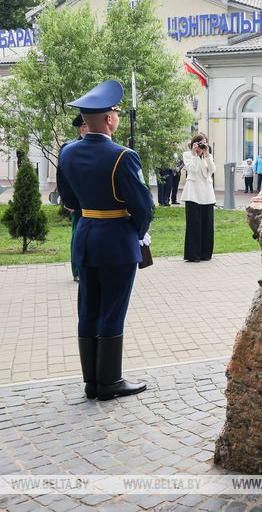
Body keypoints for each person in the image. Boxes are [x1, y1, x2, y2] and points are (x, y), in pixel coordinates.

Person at [56, 79, 152, 401]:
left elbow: (69, 199)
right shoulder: (123, 156)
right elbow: (142, 207)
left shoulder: (68, 152)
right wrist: (136, 235)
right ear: (109, 119)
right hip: (116, 241)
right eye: (115, 112)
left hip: (86, 237)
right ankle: (109, 382)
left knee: (88, 309)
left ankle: (91, 383)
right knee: (112, 310)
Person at [59, 114, 89, 282]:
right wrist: (68, 201)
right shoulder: (69, 148)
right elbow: (63, 178)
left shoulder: (94, 146)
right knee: (78, 234)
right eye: (88, 126)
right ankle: (77, 270)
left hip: (94, 202)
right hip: (78, 202)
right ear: (82, 129)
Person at [181, 133, 216, 262]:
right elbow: (192, 170)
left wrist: (206, 155)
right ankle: (193, 255)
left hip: (207, 194)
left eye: (204, 142)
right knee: (194, 225)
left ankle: (206, 254)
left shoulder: (208, 156)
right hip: (193, 194)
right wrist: (194, 154)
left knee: (207, 225)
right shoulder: (187, 155)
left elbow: (212, 170)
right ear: (194, 143)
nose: (202, 145)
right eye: (200, 142)